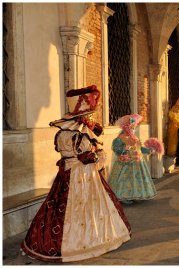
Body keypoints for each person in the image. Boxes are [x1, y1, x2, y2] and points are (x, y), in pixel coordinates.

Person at [21, 85, 131, 262]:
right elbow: (89, 158)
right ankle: (84, 243)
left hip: (66, 172)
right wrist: (101, 156)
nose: (89, 119)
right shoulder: (79, 136)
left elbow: (68, 153)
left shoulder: (62, 134)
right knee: (83, 207)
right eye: (87, 116)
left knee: (58, 205)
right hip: (83, 175)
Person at [108, 114, 160, 203]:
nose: (133, 129)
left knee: (136, 180)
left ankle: (135, 195)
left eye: (134, 127)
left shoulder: (134, 137)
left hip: (137, 162)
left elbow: (139, 148)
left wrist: (148, 150)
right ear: (126, 127)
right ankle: (123, 197)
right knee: (124, 180)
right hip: (125, 163)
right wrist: (125, 149)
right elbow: (115, 149)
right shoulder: (120, 138)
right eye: (132, 127)